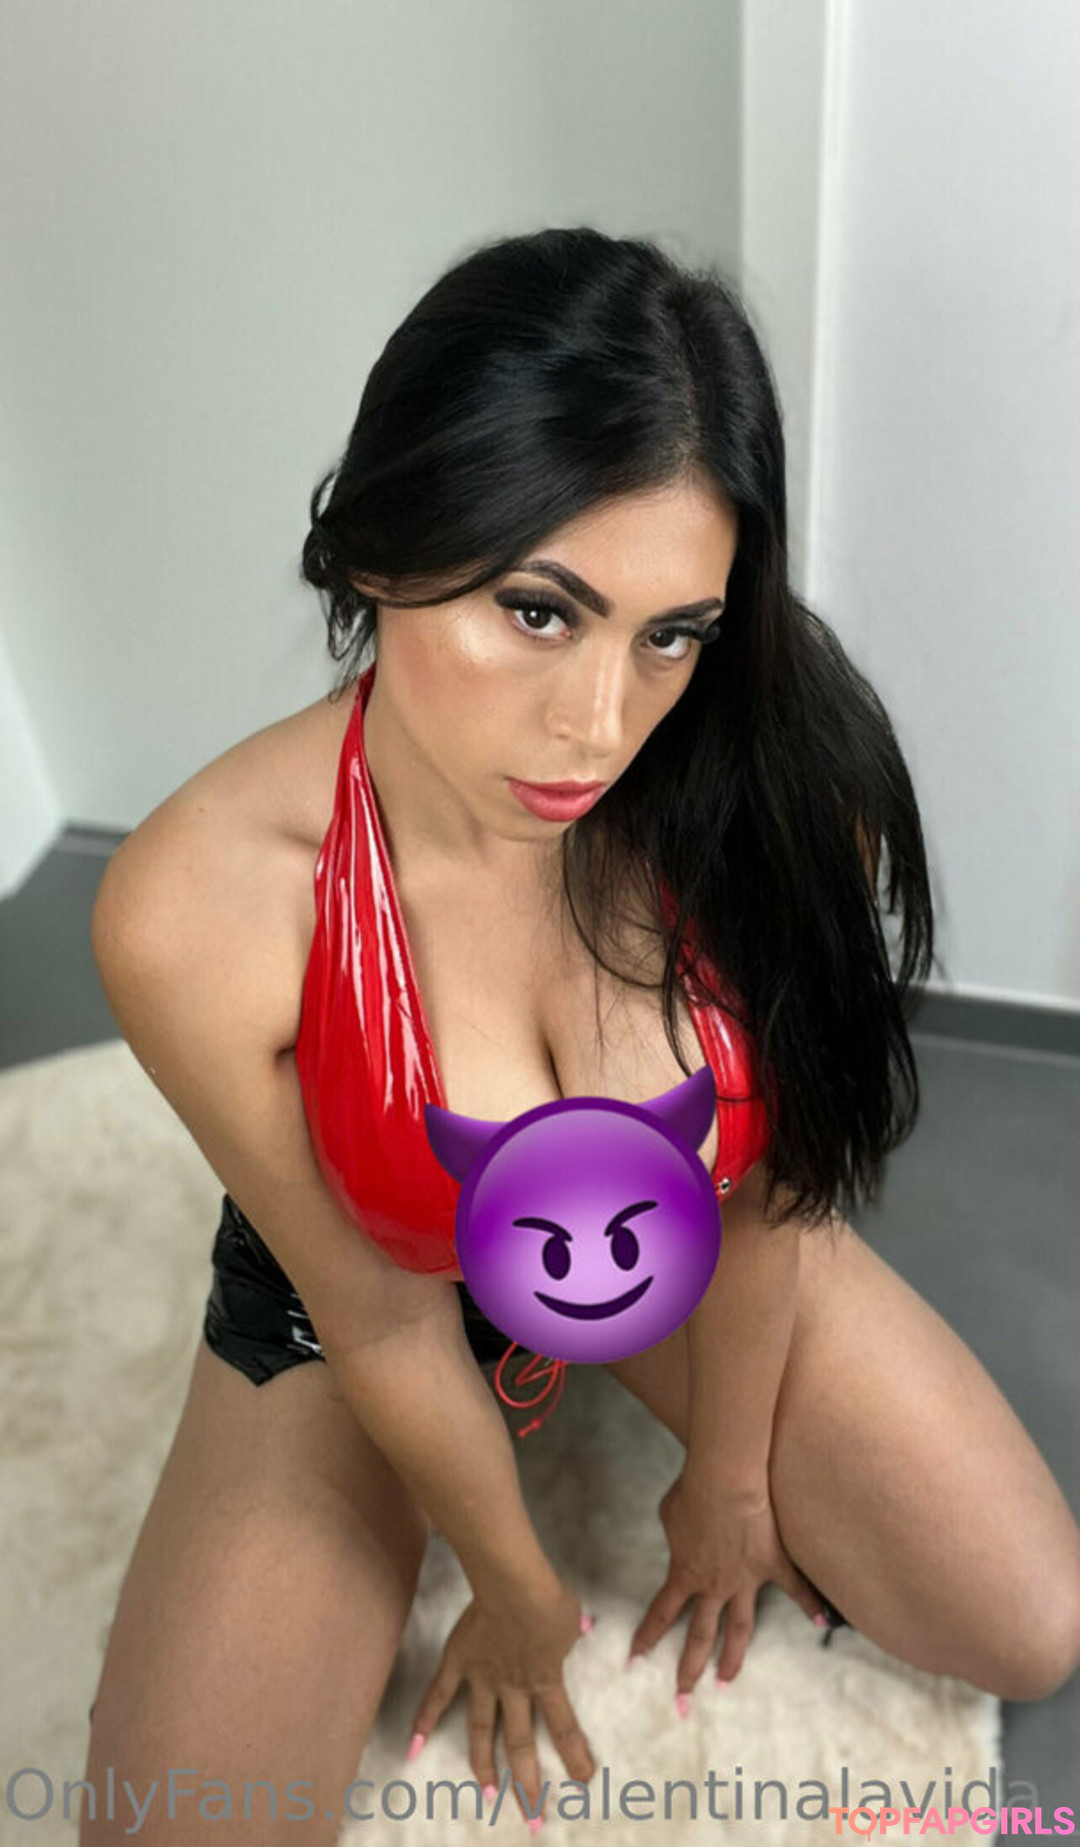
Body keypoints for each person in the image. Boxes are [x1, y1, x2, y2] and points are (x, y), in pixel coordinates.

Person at [83, 227, 1080, 1842]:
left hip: (686, 1229)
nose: (600, 727)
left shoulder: (772, 793)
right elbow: (385, 1323)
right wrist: (519, 1588)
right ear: (380, 546)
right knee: (172, 1829)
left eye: (671, 631)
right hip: (373, 1288)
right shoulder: (199, 904)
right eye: (541, 613)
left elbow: (779, 1187)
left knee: (1026, 1618)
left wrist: (732, 1485)